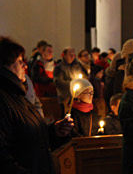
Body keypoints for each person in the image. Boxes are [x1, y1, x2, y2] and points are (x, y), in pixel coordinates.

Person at [0, 37, 74, 174]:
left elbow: (30, 140)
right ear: (5, 65)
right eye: (20, 62)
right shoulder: (4, 100)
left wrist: (54, 132)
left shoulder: (19, 96)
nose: (25, 66)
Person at [53, 47, 87, 118]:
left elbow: (85, 77)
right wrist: (74, 83)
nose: (72, 56)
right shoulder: (59, 67)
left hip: (78, 98)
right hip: (65, 98)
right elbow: (59, 82)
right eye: (70, 54)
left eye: (73, 54)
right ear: (64, 55)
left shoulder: (78, 65)